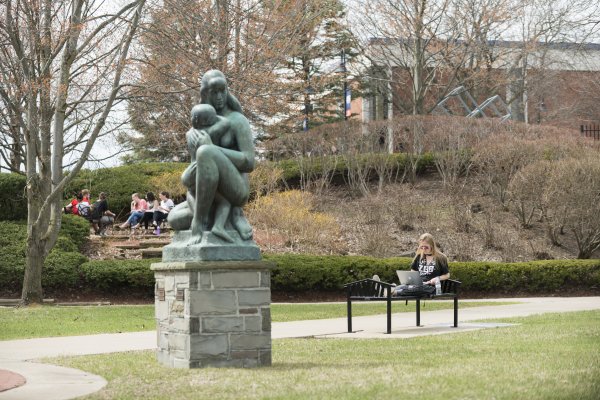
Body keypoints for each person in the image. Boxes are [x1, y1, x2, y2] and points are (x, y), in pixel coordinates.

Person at [168, 69, 254, 244]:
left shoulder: (237, 120)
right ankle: (210, 217)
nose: (220, 96)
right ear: (205, 93)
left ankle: (198, 224)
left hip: (235, 191)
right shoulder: (198, 126)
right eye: (214, 92)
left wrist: (212, 149)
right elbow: (194, 176)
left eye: (223, 91)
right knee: (173, 219)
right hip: (208, 195)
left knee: (206, 152)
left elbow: (249, 162)